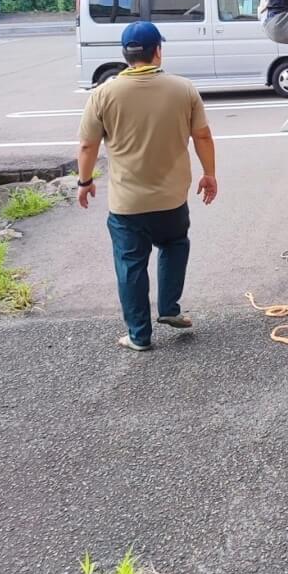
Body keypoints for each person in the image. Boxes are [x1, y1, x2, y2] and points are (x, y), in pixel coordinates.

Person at [76, 21, 217, 352]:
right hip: (171, 198)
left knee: (131, 265)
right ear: (158, 51)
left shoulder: (103, 94)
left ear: (126, 55)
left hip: (127, 203)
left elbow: (87, 146)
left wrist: (84, 182)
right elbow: (203, 136)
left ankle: (139, 335)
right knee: (175, 244)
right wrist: (209, 173)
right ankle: (169, 308)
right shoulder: (183, 89)